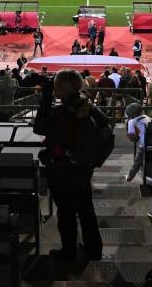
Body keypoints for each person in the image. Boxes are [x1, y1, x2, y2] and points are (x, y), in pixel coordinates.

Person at [34, 70, 105, 262]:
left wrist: (46, 97)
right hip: (83, 168)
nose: (55, 88)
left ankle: (68, 253)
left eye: (57, 85)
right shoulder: (87, 106)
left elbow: (38, 126)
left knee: (66, 214)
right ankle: (94, 249)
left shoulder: (61, 112)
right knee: (85, 210)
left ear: (66, 87)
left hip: (64, 171)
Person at [124, 103, 151, 183]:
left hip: (144, 144)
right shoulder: (147, 117)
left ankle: (129, 177)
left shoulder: (131, 122)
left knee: (137, 162)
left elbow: (133, 138)